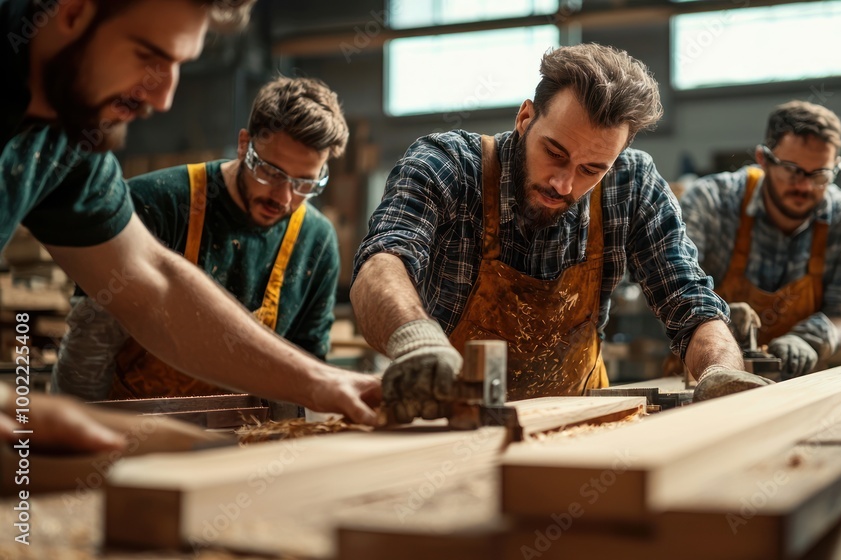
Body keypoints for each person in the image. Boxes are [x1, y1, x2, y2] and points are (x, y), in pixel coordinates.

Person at [0, 0, 380, 451]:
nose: (163, 98)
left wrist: (322, 382)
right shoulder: (160, 194)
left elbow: (153, 283)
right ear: (72, 11)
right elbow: (93, 337)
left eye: (178, 64)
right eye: (149, 56)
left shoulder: (66, 140)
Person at [352, 43, 763, 423]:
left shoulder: (632, 183)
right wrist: (417, 342)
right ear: (525, 117)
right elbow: (383, 261)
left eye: (591, 169)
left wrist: (722, 371)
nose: (563, 184)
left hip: (577, 428)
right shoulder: (449, 165)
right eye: (555, 153)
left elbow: (688, 299)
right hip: (446, 422)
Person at [53, 76, 347, 408]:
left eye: (304, 183)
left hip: (244, 437)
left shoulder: (316, 241)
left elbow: (306, 365)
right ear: (244, 144)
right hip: (128, 427)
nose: (283, 197)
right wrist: (78, 435)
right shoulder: (158, 202)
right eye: (271, 172)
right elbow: (92, 342)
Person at [680, 101, 841, 379]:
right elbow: (677, 289)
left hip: (798, 386)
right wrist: (714, 317)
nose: (804, 186)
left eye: (819, 174)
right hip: (703, 378)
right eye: (793, 170)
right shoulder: (711, 202)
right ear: (763, 159)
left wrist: (809, 340)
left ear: (835, 166)